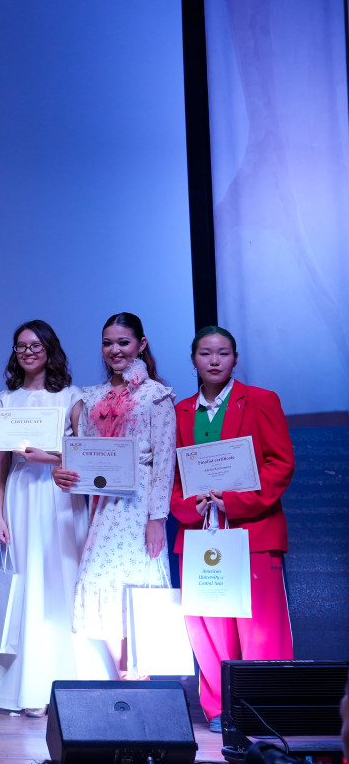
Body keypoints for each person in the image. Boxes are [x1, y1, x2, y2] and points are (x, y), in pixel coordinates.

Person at [169, 326, 295, 733]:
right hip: (200, 532)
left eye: (223, 352)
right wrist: (187, 506)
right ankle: (219, 708)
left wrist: (236, 501)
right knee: (208, 626)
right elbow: (173, 476)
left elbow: (280, 463)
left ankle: (264, 710)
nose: (214, 360)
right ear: (193, 360)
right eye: (205, 353)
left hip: (252, 529)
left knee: (260, 628)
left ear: (235, 359)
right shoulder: (180, 411)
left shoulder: (260, 400)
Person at [0, 320, 109, 716]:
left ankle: (75, 681)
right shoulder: (5, 400)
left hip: (61, 496)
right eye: (21, 346)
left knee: (64, 579)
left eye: (36, 345)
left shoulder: (72, 396)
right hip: (21, 497)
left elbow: (86, 452)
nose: (28, 352)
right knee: (27, 582)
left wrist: (50, 458)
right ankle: (30, 687)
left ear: (50, 349)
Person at [53, 312, 176, 678]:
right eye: (108, 343)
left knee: (137, 582)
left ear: (141, 344)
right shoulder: (92, 396)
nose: (115, 350)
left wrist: (157, 519)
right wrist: (64, 473)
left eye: (123, 342)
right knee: (101, 581)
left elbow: (165, 461)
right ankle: (124, 674)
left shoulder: (156, 395)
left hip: (140, 504)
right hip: (104, 505)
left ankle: (139, 673)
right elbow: (82, 453)